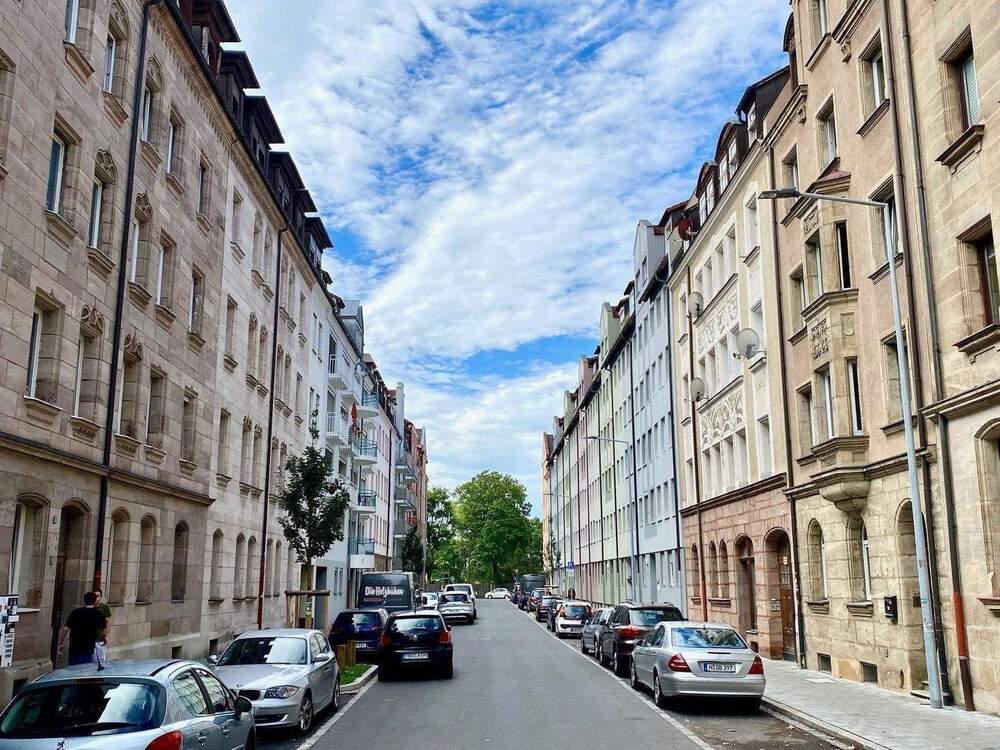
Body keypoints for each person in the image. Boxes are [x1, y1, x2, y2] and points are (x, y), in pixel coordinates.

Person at [57, 591, 107, 666]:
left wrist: (60, 643)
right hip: (88, 648)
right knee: (84, 669)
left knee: (73, 668)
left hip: (74, 647)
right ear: (94, 601)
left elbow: (65, 629)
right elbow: (102, 631)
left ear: (84, 601)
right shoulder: (98, 614)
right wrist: (103, 638)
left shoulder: (75, 612)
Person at [92, 589, 111, 662]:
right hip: (90, 638)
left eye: (98, 596)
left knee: (100, 660)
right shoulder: (89, 607)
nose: (96, 598)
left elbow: (108, 622)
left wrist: (105, 634)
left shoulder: (104, 607)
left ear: (100, 597)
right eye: (94, 596)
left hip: (100, 638)